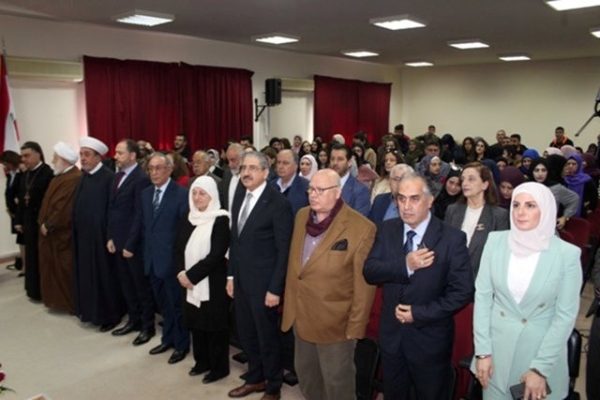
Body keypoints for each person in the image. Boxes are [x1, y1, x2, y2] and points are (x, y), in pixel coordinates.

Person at [364, 172, 474, 400]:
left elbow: (462, 292)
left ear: (430, 200)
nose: (406, 206)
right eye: (401, 198)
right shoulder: (387, 229)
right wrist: (405, 265)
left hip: (430, 339)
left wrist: (420, 313)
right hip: (392, 336)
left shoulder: (452, 238)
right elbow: (370, 272)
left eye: (414, 199)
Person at [472, 182, 581, 400]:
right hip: (495, 356)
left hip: (540, 357)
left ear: (546, 209)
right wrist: (482, 352)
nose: (520, 212)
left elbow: (565, 317)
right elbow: (482, 298)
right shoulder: (495, 241)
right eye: (516, 205)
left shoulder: (567, 254)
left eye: (530, 205)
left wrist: (540, 369)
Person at [281, 169, 376, 400]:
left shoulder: (361, 228)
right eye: (311, 189)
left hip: (335, 324)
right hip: (300, 315)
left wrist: (355, 327)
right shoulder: (302, 216)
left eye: (320, 190)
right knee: (307, 378)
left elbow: (364, 286)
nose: (313, 195)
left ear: (337, 193)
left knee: (338, 384)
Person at [226, 151, 293, 400]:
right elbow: (235, 241)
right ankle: (255, 378)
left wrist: (275, 288)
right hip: (241, 281)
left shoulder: (278, 203)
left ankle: (273, 387)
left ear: (266, 172)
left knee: (267, 338)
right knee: (247, 334)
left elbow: (283, 251)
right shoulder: (239, 196)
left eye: (253, 168)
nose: (246, 172)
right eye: (244, 167)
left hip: (265, 285)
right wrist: (231, 277)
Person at [174, 176, 231, 383]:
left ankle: (219, 368)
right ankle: (202, 362)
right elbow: (178, 248)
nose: (197, 197)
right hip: (187, 280)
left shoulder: (221, 219)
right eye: (194, 193)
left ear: (212, 195)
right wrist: (181, 273)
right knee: (196, 323)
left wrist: (192, 276)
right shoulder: (188, 217)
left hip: (212, 281)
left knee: (214, 326)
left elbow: (216, 254)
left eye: (202, 193)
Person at [142, 153, 190, 364]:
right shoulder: (145, 194)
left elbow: (183, 232)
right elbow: (145, 227)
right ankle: (167, 339)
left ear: (170, 170)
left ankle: (181, 344)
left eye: (159, 168)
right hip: (152, 260)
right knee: (163, 305)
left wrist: (180, 264)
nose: (154, 172)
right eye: (151, 168)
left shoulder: (181, 194)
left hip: (172, 262)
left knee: (177, 306)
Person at [72, 137, 125, 331]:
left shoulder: (108, 178)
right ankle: (89, 312)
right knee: (88, 276)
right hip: (84, 238)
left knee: (104, 277)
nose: (83, 158)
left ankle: (109, 315)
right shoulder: (84, 176)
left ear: (98, 157)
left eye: (87, 155)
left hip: (101, 239)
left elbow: (113, 210)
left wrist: (109, 235)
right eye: (81, 154)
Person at [107, 140, 156, 345]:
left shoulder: (141, 179)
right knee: (126, 284)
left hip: (133, 244)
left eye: (120, 153)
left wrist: (130, 244)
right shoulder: (117, 177)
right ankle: (134, 320)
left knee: (140, 286)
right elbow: (112, 209)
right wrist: (110, 236)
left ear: (133, 155)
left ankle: (147, 326)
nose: (116, 156)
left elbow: (140, 215)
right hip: (117, 240)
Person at [37, 141, 81, 313]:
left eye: (55, 158)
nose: (52, 161)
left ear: (64, 160)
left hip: (61, 234)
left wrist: (50, 224)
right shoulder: (60, 177)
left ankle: (70, 304)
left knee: (65, 270)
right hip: (51, 234)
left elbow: (64, 207)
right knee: (53, 270)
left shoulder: (73, 178)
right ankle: (57, 301)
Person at [445, 162, 509, 277]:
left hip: (480, 280)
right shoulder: (452, 210)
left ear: (485, 184)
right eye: (463, 179)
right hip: (451, 279)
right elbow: (444, 247)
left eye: (471, 179)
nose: (465, 183)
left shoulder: (499, 216)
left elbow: (499, 256)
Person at [14, 141, 54, 301]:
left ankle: (45, 291)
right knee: (31, 256)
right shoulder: (25, 175)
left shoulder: (47, 173)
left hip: (41, 221)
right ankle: (33, 290)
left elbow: (50, 202)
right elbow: (21, 200)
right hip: (28, 222)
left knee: (42, 257)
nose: (24, 159)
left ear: (38, 154)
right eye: (22, 156)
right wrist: (18, 220)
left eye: (27, 156)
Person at [529, 157, 578, 230]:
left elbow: (574, 199)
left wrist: (565, 217)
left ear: (548, 171)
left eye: (543, 170)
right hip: (528, 228)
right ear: (531, 172)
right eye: (536, 170)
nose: (540, 174)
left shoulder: (555, 188)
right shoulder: (526, 187)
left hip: (549, 229)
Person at [329, 143, 370, 217]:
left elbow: (359, 220)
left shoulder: (360, 190)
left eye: (340, 159)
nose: (335, 163)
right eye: (332, 159)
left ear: (349, 163)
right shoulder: (322, 185)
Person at [0, 150, 25, 275]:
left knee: (23, 240)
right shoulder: (11, 175)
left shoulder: (21, 174)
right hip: (13, 212)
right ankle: (24, 265)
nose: (5, 166)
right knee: (20, 240)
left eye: (6, 163)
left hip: (21, 212)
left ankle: (26, 267)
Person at [270, 149, 309, 216]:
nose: (280, 166)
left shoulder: (305, 187)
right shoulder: (270, 186)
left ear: (296, 166)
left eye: (285, 163)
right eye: (278, 162)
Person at [219, 143, 244, 212]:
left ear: (242, 158)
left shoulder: (250, 177)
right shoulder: (227, 174)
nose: (230, 165)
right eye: (228, 161)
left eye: (233, 160)